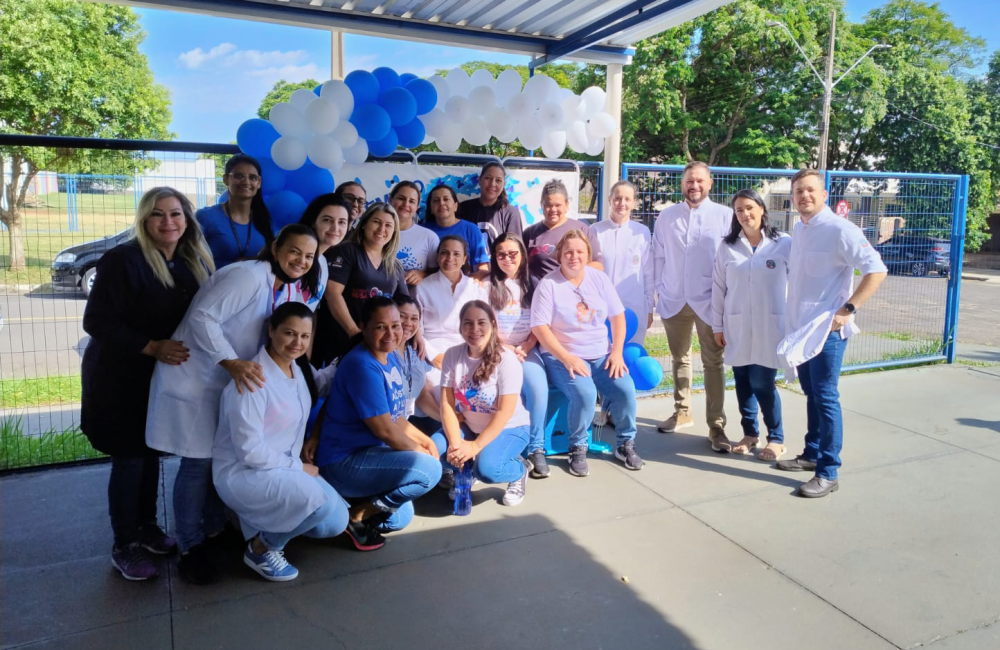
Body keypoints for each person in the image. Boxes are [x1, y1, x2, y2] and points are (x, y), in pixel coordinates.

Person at [145, 224, 322, 585]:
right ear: (275, 248)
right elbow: (202, 317)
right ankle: (190, 547)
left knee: (215, 459)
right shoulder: (247, 276)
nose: (301, 261)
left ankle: (212, 529)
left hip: (223, 382)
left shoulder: (280, 286)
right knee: (196, 466)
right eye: (294, 252)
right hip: (195, 380)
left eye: (309, 256)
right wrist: (230, 362)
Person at [81, 187, 215, 581]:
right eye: (158, 215)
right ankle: (124, 544)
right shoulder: (122, 260)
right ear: (144, 220)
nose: (168, 222)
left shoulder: (191, 261)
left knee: (151, 452)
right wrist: (151, 346)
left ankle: (147, 528)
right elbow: (97, 321)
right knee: (130, 459)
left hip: (161, 377)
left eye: (176, 214)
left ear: (187, 220)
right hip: (120, 377)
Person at [213, 302, 347, 582]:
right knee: (317, 503)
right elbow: (249, 451)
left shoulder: (297, 370)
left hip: (280, 468)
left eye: (305, 336)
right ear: (271, 331)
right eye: (289, 333)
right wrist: (297, 468)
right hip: (245, 472)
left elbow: (322, 384)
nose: (297, 342)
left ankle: (259, 520)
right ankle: (261, 548)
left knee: (334, 523)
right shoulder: (252, 378)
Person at [775, 169, 887, 498]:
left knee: (825, 397)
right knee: (811, 393)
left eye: (811, 190)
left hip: (827, 331)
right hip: (801, 330)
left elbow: (876, 269)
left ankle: (828, 471)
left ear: (824, 195)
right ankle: (811, 454)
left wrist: (848, 309)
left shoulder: (840, 230)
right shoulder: (800, 228)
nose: (804, 196)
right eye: (798, 192)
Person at [311, 297, 442, 551]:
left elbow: (395, 416)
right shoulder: (362, 364)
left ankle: (353, 502)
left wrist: (424, 440)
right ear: (363, 326)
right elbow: (385, 430)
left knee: (400, 518)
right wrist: (421, 455)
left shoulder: (389, 355)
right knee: (429, 471)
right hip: (344, 462)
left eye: (395, 325)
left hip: (370, 454)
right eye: (381, 327)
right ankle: (355, 514)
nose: (391, 333)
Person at [530, 230, 643, 477]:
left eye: (580, 251)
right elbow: (540, 328)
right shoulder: (549, 284)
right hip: (562, 355)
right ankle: (577, 446)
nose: (574, 256)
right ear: (559, 254)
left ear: (587, 254)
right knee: (585, 392)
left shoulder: (599, 279)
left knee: (625, 388)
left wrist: (616, 352)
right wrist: (566, 358)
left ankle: (625, 443)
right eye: (568, 251)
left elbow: (617, 317)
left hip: (601, 354)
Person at [652, 161, 732, 452]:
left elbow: (730, 260)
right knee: (679, 358)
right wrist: (659, 291)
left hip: (710, 301)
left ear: (710, 183)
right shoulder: (666, 217)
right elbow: (658, 257)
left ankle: (716, 426)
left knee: (713, 363)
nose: (693, 186)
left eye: (699, 181)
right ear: (682, 184)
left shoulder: (724, 216)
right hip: (674, 299)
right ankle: (682, 411)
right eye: (688, 181)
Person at [711, 189, 792, 463]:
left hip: (771, 325)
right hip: (737, 325)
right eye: (739, 210)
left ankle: (777, 438)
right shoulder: (728, 246)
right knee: (743, 381)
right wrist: (717, 326)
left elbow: (798, 284)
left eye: (749, 208)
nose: (745, 214)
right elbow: (718, 288)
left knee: (762, 382)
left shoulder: (783, 243)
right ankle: (749, 434)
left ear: (761, 208)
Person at [433, 301, 533, 507]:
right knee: (435, 451)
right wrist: (455, 444)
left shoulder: (507, 360)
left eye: (481, 322)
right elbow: (447, 403)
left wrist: (475, 447)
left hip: (510, 427)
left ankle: (519, 470)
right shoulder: (453, 354)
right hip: (471, 426)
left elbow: (505, 412)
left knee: (488, 469)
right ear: (460, 327)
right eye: (468, 323)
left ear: (493, 325)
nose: (474, 329)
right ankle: (468, 469)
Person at [487, 233, 549, 479]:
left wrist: (527, 344)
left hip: (527, 350)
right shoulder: (486, 285)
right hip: (498, 351)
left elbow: (541, 321)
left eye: (512, 253)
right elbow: (485, 325)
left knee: (538, 389)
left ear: (522, 256)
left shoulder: (533, 283)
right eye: (501, 254)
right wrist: (506, 348)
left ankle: (536, 447)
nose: (507, 259)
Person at [317, 203, 409, 367]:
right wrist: (354, 333)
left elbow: (406, 305)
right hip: (342, 339)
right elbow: (332, 293)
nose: (382, 229)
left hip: (378, 345)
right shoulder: (347, 251)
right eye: (376, 222)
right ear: (364, 223)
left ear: (394, 231)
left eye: (388, 225)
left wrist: (416, 336)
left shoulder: (395, 265)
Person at [416, 236, 488, 410]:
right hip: (433, 353)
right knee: (443, 395)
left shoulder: (476, 288)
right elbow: (416, 328)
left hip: (470, 352)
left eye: (457, 254)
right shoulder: (423, 287)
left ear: (464, 259)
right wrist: (432, 355)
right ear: (438, 256)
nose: (450, 259)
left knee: (478, 396)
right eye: (445, 253)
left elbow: (486, 328)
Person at [591, 180, 654, 343]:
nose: (622, 203)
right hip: (602, 307)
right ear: (609, 200)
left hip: (634, 307)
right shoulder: (595, 231)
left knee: (632, 354)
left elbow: (648, 273)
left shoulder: (641, 232)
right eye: (617, 198)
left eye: (627, 199)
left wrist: (649, 308)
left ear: (633, 202)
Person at [196, 154, 274, 268]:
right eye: (239, 176)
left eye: (252, 177)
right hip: (216, 284)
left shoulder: (263, 219)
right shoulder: (206, 217)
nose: (246, 181)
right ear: (226, 179)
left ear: (259, 183)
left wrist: (248, 261)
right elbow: (191, 259)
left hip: (254, 285)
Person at [522, 179, 604, 284]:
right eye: (548, 205)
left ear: (566, 204)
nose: (553, 210)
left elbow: (598, 264)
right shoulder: (529, 233)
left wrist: (569, 278)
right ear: (541, 205)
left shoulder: (581, 229)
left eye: (558, 205)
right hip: (538, 295)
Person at [424, 184, 490, 277]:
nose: (441, 203)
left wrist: (470, 284)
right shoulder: (423, 231)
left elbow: (483, 267)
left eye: (446, 199)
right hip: (430, 286)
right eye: (436, 200)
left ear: (455, 206)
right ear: (431, 208)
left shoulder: (471, 229)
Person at [393, 295, 438, 425]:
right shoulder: (381, 354)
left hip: (404, 424)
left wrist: (449, 420)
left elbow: (421, 394)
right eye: (402, 316)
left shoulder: (414, 351)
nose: (408, 323)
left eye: (414, 319)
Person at [457, 161, 524, 250]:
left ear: (504, 184)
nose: (492, 184)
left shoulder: (511, 213)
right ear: (480, 180)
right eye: (488, 178)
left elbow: (515, 250)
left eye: (498, 180)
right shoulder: (463, 208)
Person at [390, 181, 439, 288]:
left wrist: (423, 274)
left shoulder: (429, 237)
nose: (406, 204)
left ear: (417, 207)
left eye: (412, 201)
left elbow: (439, 275)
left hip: (415, 301)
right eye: (401, 198)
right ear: (390, 200)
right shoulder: (379, 232)